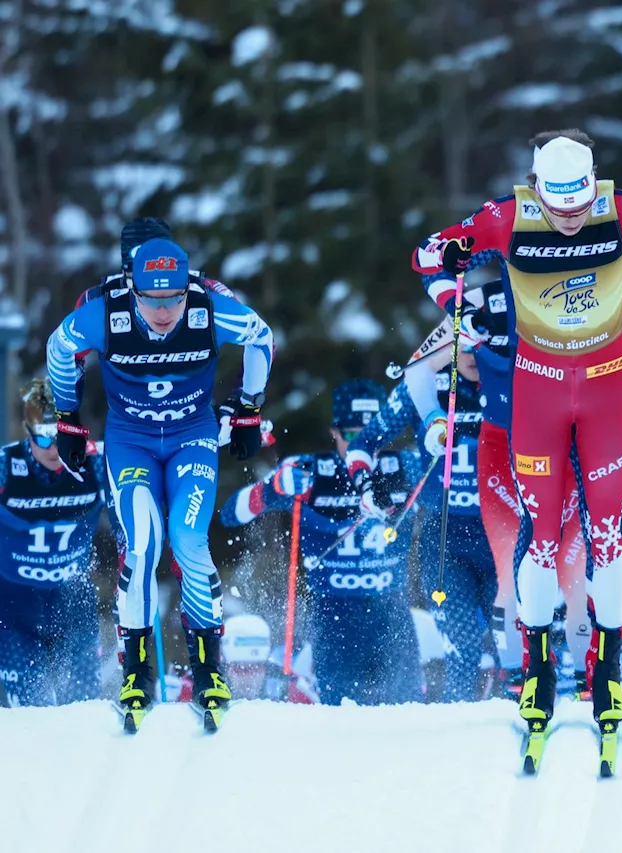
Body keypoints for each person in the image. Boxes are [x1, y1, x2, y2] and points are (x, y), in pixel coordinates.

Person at [413, 128, 622, 743]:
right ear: (537, 189)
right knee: (543, 539)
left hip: (605, 385)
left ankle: (604, 669)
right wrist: (457, 299)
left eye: (579, 206)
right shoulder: (507, 216)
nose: (572, 219)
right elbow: (426, 255)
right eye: (559, 207)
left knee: (606, 534)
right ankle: (538, 670)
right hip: (538, 388)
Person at [46, 237, 274, 730]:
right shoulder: (108, 314)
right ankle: (137, 673)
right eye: (152, 300)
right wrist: (67, 417)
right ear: (134, 288)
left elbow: (261, 335)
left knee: (190, 541)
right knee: (144, 545)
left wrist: (249, 407)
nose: (164, 311)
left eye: (174, 299)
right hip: (132, 443)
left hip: (192, 438)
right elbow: (59, 347)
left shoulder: (209, 308)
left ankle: (209, 671)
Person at [222, 380, 423, 706]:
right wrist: (272, 488)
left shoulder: (406, 466)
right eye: (353, 437)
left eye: (373, 437)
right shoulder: (309, 471)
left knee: (407, 712)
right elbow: (231, 514)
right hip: (336, 618)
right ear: (334, 432)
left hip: (391, 615)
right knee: (339, 718)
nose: (364, 448)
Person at [344, 348, 490, 702]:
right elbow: (363, 444)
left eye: (483, 343)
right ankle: (460, 733)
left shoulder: (518, 378)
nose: (472, 353)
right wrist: (368, 487)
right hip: (445, 540)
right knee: (462, 647)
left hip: (504, 536)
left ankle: (525, 725)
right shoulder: (425, 384)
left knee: (514, 643)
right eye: (465, 342)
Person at [0, 378, 107, 706]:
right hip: (14, 609)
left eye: (61, 436)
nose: (53, 449)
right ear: (27, 432)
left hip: (73, 604)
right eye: (43, 437)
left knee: (85, 711)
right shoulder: (6, 466)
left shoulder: (98, 462)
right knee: (30, 717)